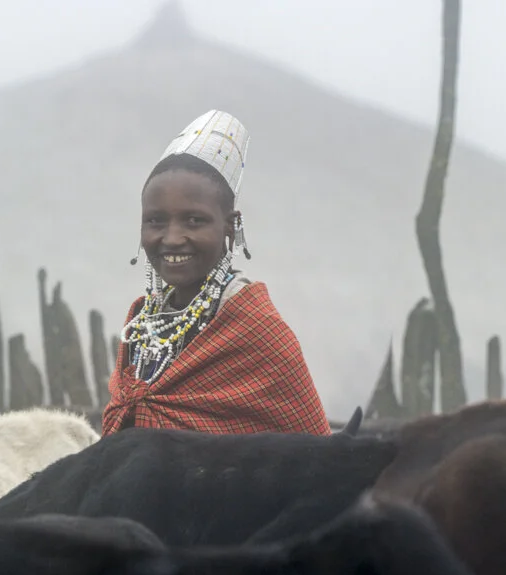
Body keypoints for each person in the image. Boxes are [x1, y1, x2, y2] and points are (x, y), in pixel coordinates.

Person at [101, 110, 332, 436]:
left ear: (230, 224)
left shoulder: (256, 328)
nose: (172, 238)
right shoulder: (140, 322)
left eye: (194, 220)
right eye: (156, 221)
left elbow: (312, 457)